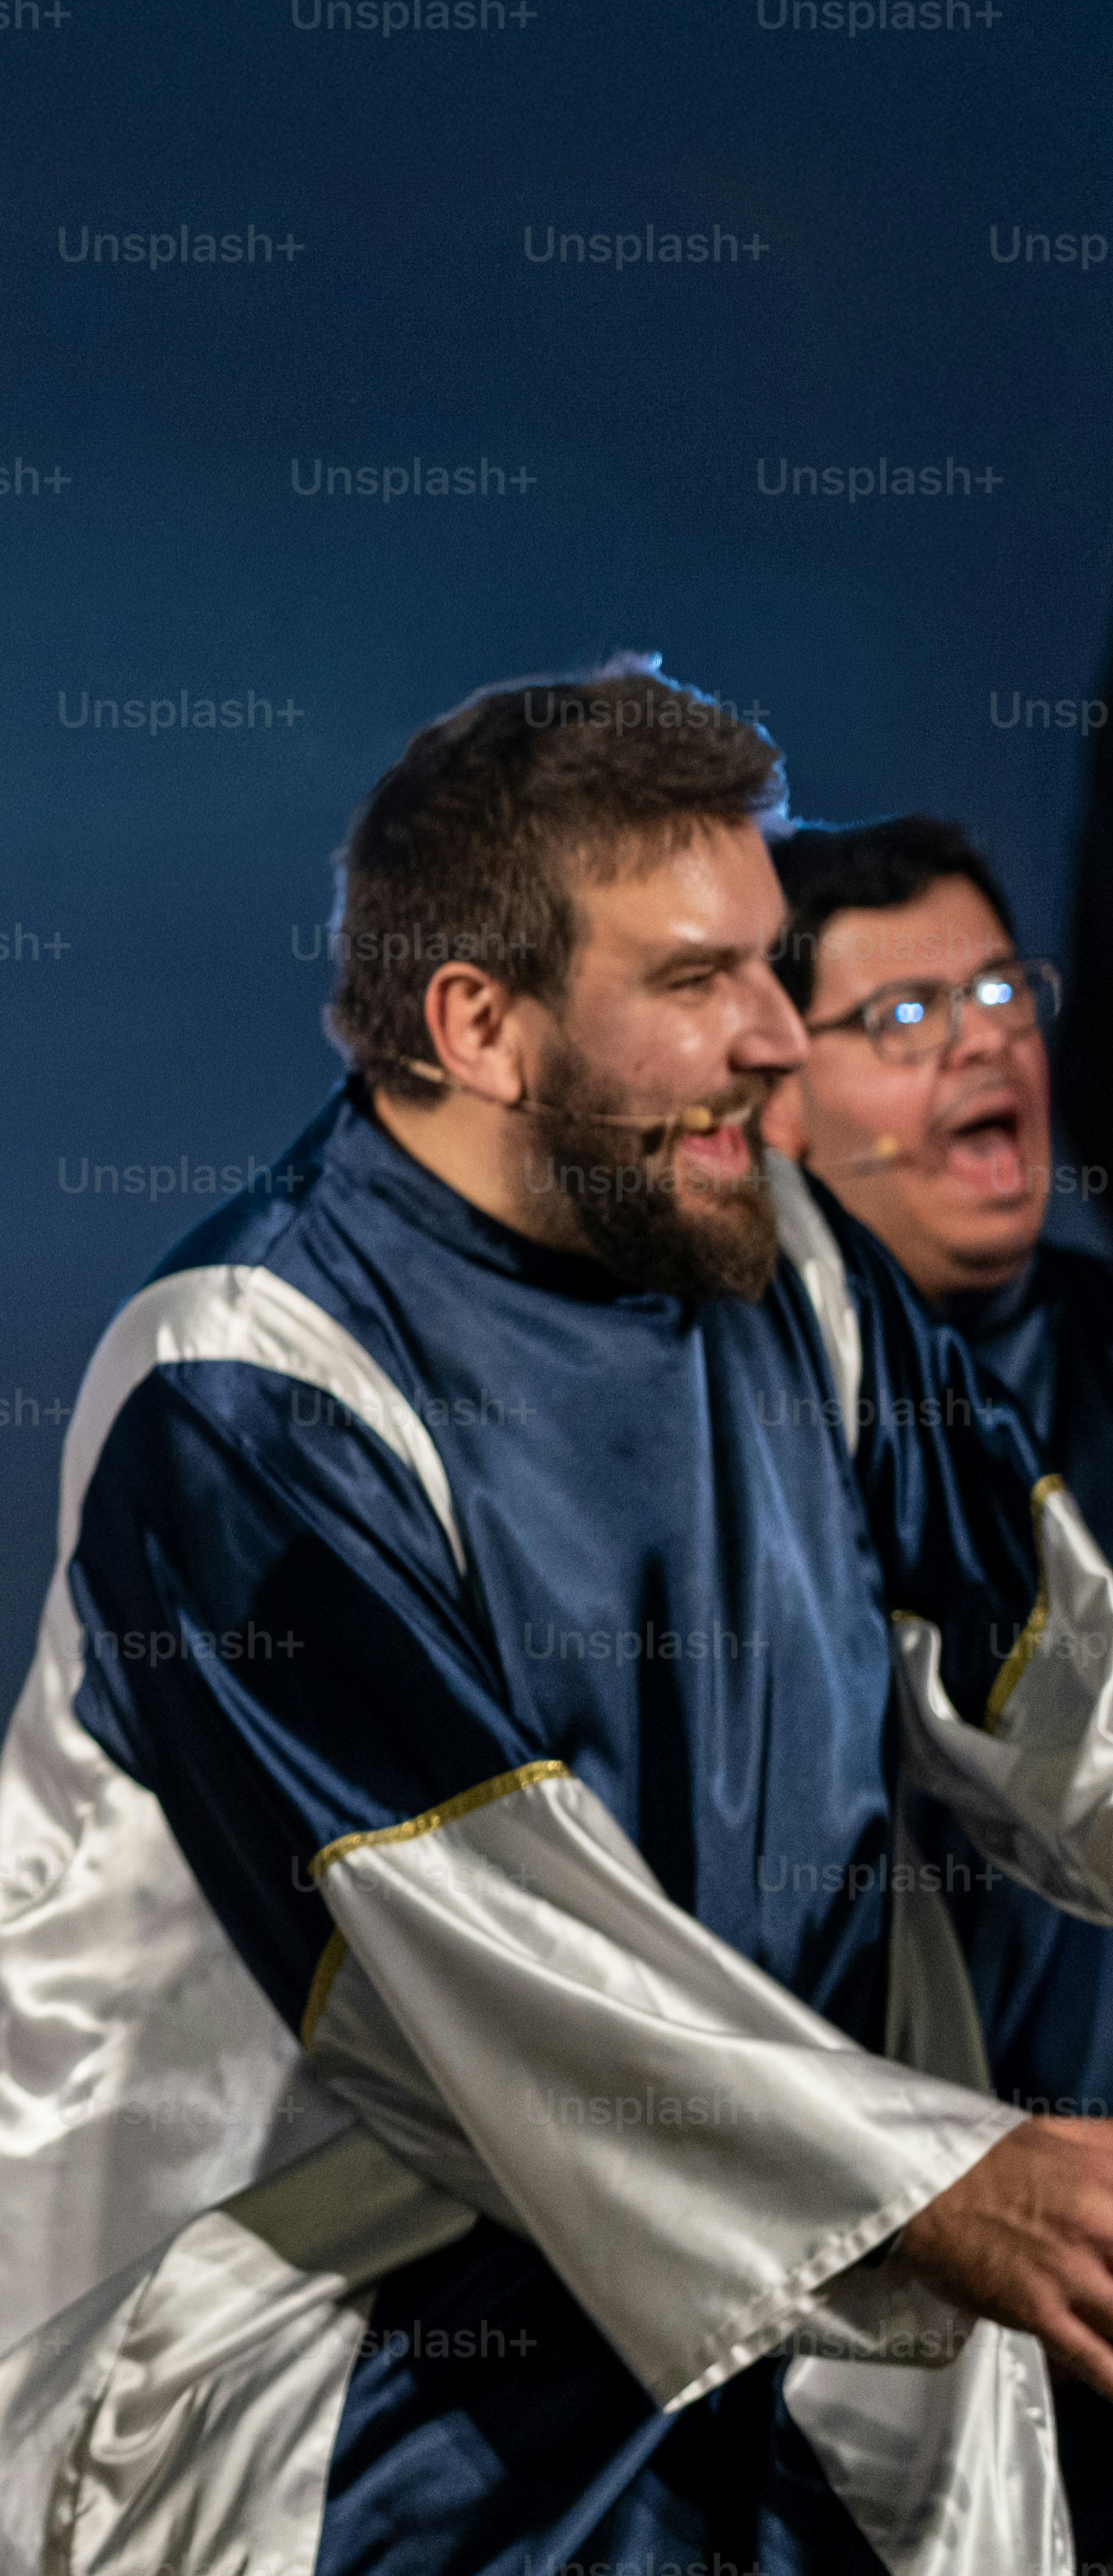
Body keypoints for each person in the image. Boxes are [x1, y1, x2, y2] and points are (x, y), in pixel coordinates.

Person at [0, 662, 1113, 2575]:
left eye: (771, 965)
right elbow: (484, 1966)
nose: (778, 1042)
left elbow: (1058, 1683)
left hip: (775, 2283)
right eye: (698, 981)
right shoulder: (242, 1380)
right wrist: (948, 2177)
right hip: (325, 2354)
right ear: (478, 1019)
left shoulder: (787, 1263)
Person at [765, 816, 1112, 2560]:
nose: (982, 1039)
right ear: (780, 1093)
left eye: (998, 990)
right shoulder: (713, 1449)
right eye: (903, 1016)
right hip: (847, 2331)